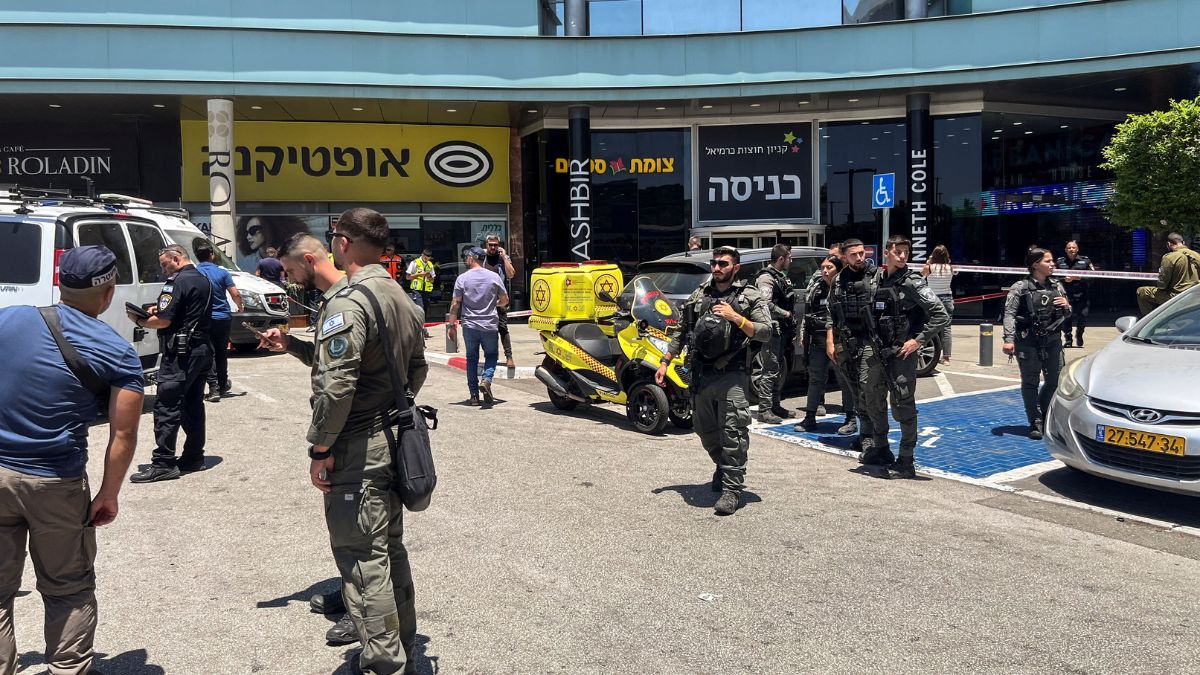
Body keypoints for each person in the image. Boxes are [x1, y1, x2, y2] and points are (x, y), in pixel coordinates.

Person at [259, 208, 427, 674]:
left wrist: (320, 448)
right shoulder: (398, 295)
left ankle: (383, 662)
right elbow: (417, 368)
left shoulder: (348, 300)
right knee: (390, 548)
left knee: (362, 557)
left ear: (342, 241)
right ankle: (403, 648)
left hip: (359, 446)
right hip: (394, 438)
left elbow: (337, 387)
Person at [0, 246, 143, 675]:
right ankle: (66, 669)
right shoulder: (118, 353)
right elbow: (124, 433)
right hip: (55, 481)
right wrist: (108, 494)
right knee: (68, 587)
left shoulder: (9, 318)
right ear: (109, 292)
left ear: (60, 283)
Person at [655, 246, 771, 516]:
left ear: (736, 268)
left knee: (733, 432)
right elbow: (681, 331)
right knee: (704, 429)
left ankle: (732, 489)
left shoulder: (748, 296)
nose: (717, 268)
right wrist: (665, 361)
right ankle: (722, 465)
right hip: (701, 374)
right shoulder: (700, 295)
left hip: (732, 374)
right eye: (715, 263)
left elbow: (765, 332)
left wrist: (737, 318)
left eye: (723, 264)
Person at [828, 237, 949, 478]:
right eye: (898, 252)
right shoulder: (876, 279)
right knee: (871, 395)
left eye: (906, 252)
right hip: (876, 347)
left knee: (903, 403)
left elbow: (941, 314)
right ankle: (881, 447)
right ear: (887, 253)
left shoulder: (912, 281)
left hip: (902, 351)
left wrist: (918, 341)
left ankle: (906, 460)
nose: (902, 256)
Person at [127, 244, 214, 483]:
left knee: (167, 406)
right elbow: (184, 311)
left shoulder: (176, 283)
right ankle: (194, 456)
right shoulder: (202, 279)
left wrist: (139, 320)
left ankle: (163, 462)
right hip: (202, 350)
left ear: (176, 259)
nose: (164, 269)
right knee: (193, 405)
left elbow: (164, 321)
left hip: (180, 354)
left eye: (165, 264)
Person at [1003, 248, 1072, 440]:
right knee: (1030, 382)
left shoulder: (1056, 286)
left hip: (1052, 340)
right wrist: (1008, 340)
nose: (1052, 264)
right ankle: (1035, 420)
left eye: (1052, 261)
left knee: (1055, 381)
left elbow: (1068, 311)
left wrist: (1067, 305)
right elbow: (1009, 314)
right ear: (1035, 264)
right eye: (1048, 261)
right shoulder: (1020, 287)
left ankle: (1043, 413)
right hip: (1028, 341)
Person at [796, 254, 857, 435]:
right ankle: (810, 417)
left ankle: (850, 418)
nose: (824, 270)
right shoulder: (816, 288)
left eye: (829, 267)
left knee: (845, 381)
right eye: (823, 267)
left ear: (838, 270)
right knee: (815, 380)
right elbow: (808, 314)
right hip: (817, 342)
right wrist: (803, 335)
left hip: (840, 343)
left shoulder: (845, 289)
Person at [448, 246, 509, 407]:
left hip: (470, 325)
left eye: (467, 257)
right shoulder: (494, 277)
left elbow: (456, 303)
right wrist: (493, 304)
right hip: (489, 324)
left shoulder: (462, 278)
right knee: (491, 356)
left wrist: (451, 325)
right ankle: (487, 380)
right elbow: (505, 300)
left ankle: (474, 395)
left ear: (471, 258)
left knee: (472, 359)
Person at [751, 244, 797, 423]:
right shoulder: (766, 278)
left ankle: (775, 405)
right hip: (771, 330)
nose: (790, 261)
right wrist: (784, 313)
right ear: (780, 259)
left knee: (778, 369)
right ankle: (764, 409)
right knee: (769, 370)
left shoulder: (780, 277)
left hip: (782, 331)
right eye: (789, 258)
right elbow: (764, 303)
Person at [196, 244, 244, 403]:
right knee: (221, 352)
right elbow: (235, 293)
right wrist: (240, 305)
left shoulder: (195, 272)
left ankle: (214, 388)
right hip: (222, 317)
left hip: (204, 318)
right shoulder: (222, 272)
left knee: (208, 353)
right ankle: (222, 384)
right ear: (211, 255)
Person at [1136, 232, 1200, 316]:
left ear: (1168, 244)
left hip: (1177, 296)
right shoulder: (1197, 256)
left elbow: (1162, 285)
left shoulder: (1170, 257)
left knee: (1142, 292)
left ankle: (1151, 322)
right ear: (1183, 242)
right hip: (1194, 295)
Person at [482, 234, 517, 369]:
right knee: (486, 330)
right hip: (485, 299)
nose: (493, 247)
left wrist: (504, 257)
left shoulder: (503, 259)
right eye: (490, 244)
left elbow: (511, 274)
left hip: (500, 299)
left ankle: (509, 356)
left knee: (502, 328)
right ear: (486, 245)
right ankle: (490, 357)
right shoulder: (482, 258)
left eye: (495, 245)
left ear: (499, 245)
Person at [1055, 240, 1094, 348]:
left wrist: (1080, 278)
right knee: (1067, 317)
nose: (1071, 250)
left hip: (1082, 294)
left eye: (1073, 248)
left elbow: (1093, 276)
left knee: (1083, 316)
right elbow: (1053, 276)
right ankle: (1068, 339)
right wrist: (1064, 279)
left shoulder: (1085, 261)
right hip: (1066, 295)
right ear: (1065, 250)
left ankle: (1079, 334)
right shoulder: (1060, 262)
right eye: (1069, 248)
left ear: (1077, 249)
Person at [921, 244, 956, 364]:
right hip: (947, 299)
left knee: (931, 326)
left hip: (933, 299)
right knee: (946, 328)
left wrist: (929, 261)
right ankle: (946, 358)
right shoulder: (950, 268)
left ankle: (932, 353)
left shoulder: (929, 267)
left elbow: (921, 277)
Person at [407, 249, 436, 339]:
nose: (426, 259)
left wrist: (429, 276)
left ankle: (421, 328)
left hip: (426, 290)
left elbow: (432, 280)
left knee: (425, 310)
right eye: (425, 257)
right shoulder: (415, 263)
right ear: (422, 255)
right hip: (417, 290)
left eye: (428, 257)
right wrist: (419, 275)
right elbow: (408, 277)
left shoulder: (430, 265)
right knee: (420, 308)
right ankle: (420, 330)